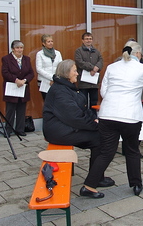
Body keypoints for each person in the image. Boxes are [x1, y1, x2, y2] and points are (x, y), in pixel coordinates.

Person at [84, 42, 143, 197]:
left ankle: (89, 185)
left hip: (107, 114)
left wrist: (114, 103)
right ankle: (136, 184)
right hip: (130, 116)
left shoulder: (112, 67)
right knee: (132, 151)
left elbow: (104, 91)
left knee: (106, 152)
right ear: (139, 54)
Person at [42, 59, 114, 199]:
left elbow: (81, 109)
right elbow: (75, 117)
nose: (77, 73)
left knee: (99, 137)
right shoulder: (60, 91)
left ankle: (96, 177)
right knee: (100, 139)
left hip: (65, 127)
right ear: (66, 73)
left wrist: (94, 119)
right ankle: (93, 181)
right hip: (58, 132)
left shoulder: (67, 87)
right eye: (74, 70)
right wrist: (95, 125)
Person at [1, 40, 34, 137]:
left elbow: (31, 73)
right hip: (12, 87)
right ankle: (8, 130)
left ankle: (20, 129)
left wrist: (24, 80)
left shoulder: (26, 59)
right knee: (10, 110)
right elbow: (5, 73)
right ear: (13, 49)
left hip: (23, 88)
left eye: (21, 48)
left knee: (21, 110)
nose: (20, 50)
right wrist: (16, 80)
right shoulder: (6, 59)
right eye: (17, 48)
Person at [75, 32, 103, 114]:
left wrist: (96, 68)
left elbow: (101, 61)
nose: (88, 41)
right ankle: (85, 119)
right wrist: (92, 67)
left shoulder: (96, 52)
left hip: (94, 82)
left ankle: (93, 118)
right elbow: (79, 62)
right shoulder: (78, 51)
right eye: (86, 39)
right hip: (83, 82)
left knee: (94, 102)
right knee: (83, 102)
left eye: (90, 39)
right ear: (83, 40)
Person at [36, 34, 63, 100]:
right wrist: (51, 78)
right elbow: (39, 69)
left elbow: (60, 66)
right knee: (47, 102)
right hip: (44, 81)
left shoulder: (57, 53)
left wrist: (55, 78)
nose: (51, 43)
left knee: (56, 102)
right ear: (44, 43)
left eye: (52, 41)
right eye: (48, 41)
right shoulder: (40, 54)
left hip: (56, 80)